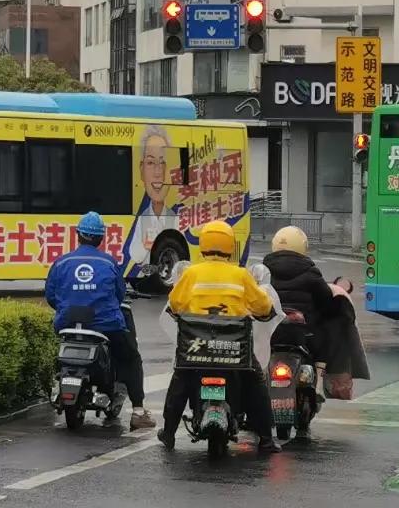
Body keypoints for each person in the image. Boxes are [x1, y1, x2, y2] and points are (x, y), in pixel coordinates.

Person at [158, 219, 280, 454]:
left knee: (180, 380)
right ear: (229, 245)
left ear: (203, 243)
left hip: (195, 349)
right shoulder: (241, 275)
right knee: (256, 382)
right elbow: (263, 306)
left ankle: (169, 433)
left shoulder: (191, 274)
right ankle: (266, 438)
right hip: (234, 352)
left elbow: (174, 304)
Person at [44, 211, 154, 431]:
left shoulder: (62, 262)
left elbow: (51, 296)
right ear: (101, 238)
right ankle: (139, 412)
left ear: (78, 235)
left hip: (67, 325)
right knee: (131, 358)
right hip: (105, 326)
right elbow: (119, 294)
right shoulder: (108, 262)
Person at [124, 126, 179, 268]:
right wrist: (145, 246)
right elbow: (135, 255)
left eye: (163, 163)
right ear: (141, 170)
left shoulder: (175, 219)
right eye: (150, 162)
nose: (157, 172)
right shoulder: (142, 218)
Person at [263, 227, 335, 332]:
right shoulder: (311, 272)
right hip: (303, 332)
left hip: (269, 331)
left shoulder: (263, 271)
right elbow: (326, 300)